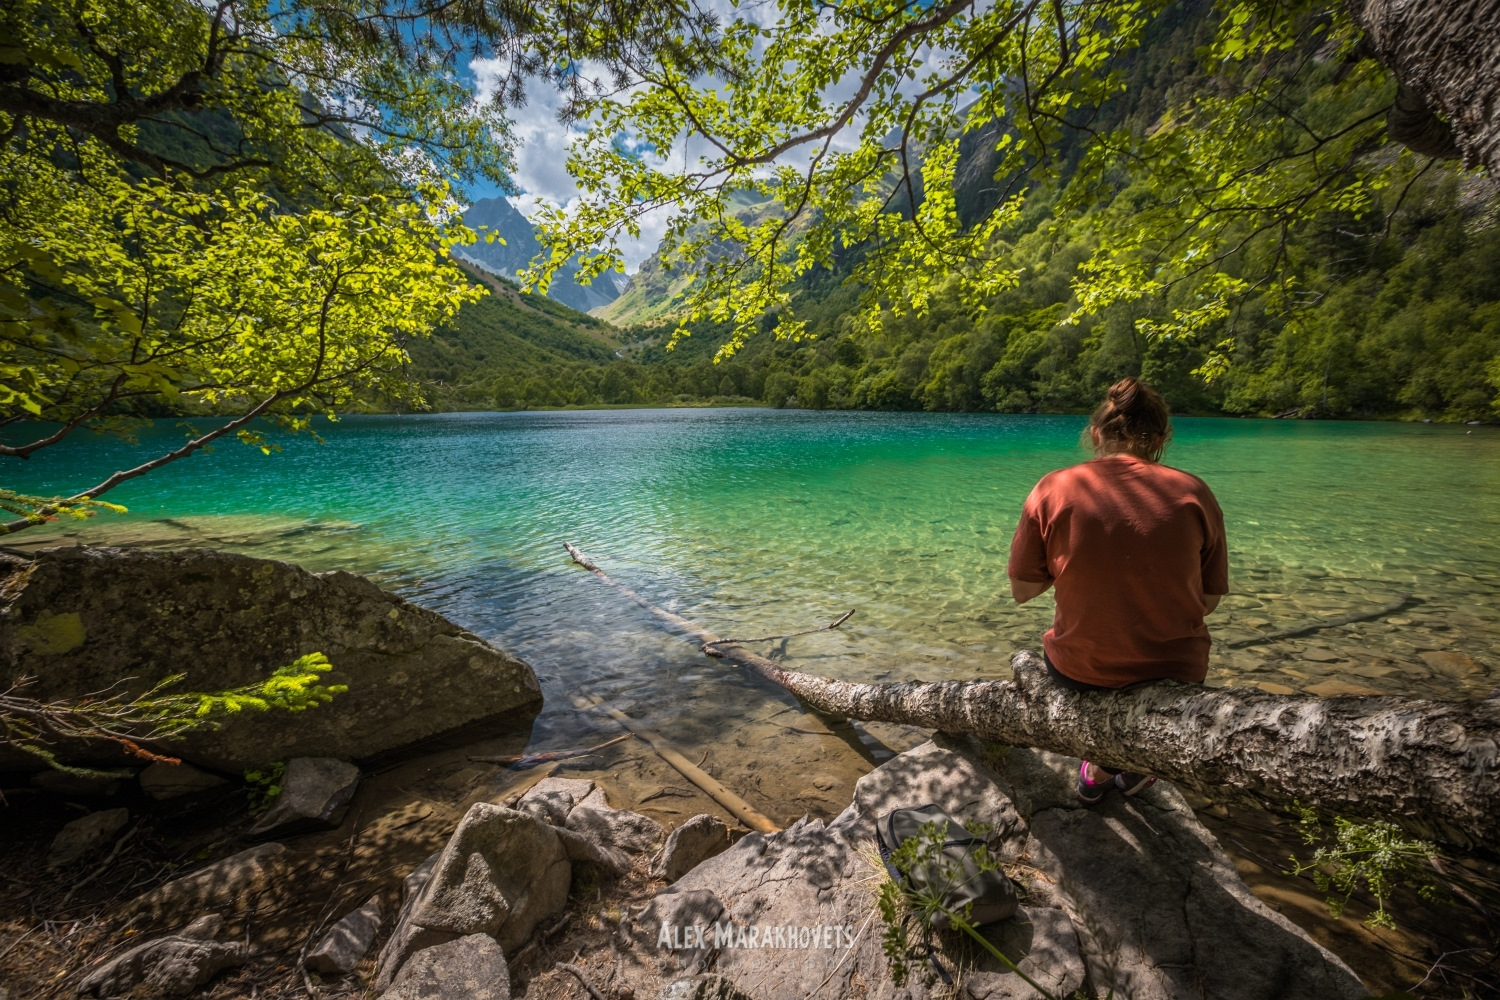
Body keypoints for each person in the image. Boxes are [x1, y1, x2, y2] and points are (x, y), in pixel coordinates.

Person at [1006, 377, 1228, 804]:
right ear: (1161, 438)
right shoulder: (1194, 492)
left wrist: (1076, 562)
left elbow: (1023, 590)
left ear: (1095, 434)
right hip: (1177, 672)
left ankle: (1102, 771)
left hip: (1080, 672)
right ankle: (1120, 771)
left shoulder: (1053, 488)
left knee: (1082, 684)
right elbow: (1208, 601)